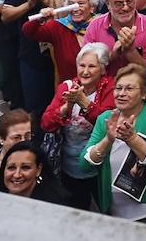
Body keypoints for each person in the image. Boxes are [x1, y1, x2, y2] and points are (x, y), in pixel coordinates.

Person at [81, 63, 146, 224]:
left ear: (144, 93)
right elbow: (84, 164)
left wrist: (132, 139)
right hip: (114, 216)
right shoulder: (105, 118)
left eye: (129, 89)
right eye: (118, 88)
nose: (121, 94)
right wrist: (107, 140)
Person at [40, 41, 114, 208]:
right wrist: (66, 107)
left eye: (92, 66)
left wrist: (84, 103)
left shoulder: (111, 87)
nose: (85, 71)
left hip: (100, 167)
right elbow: (45, 123)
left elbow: (107, 123)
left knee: (105, 211)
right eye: (82, 65)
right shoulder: (67, 87)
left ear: (102, 69)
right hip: (68, 166)